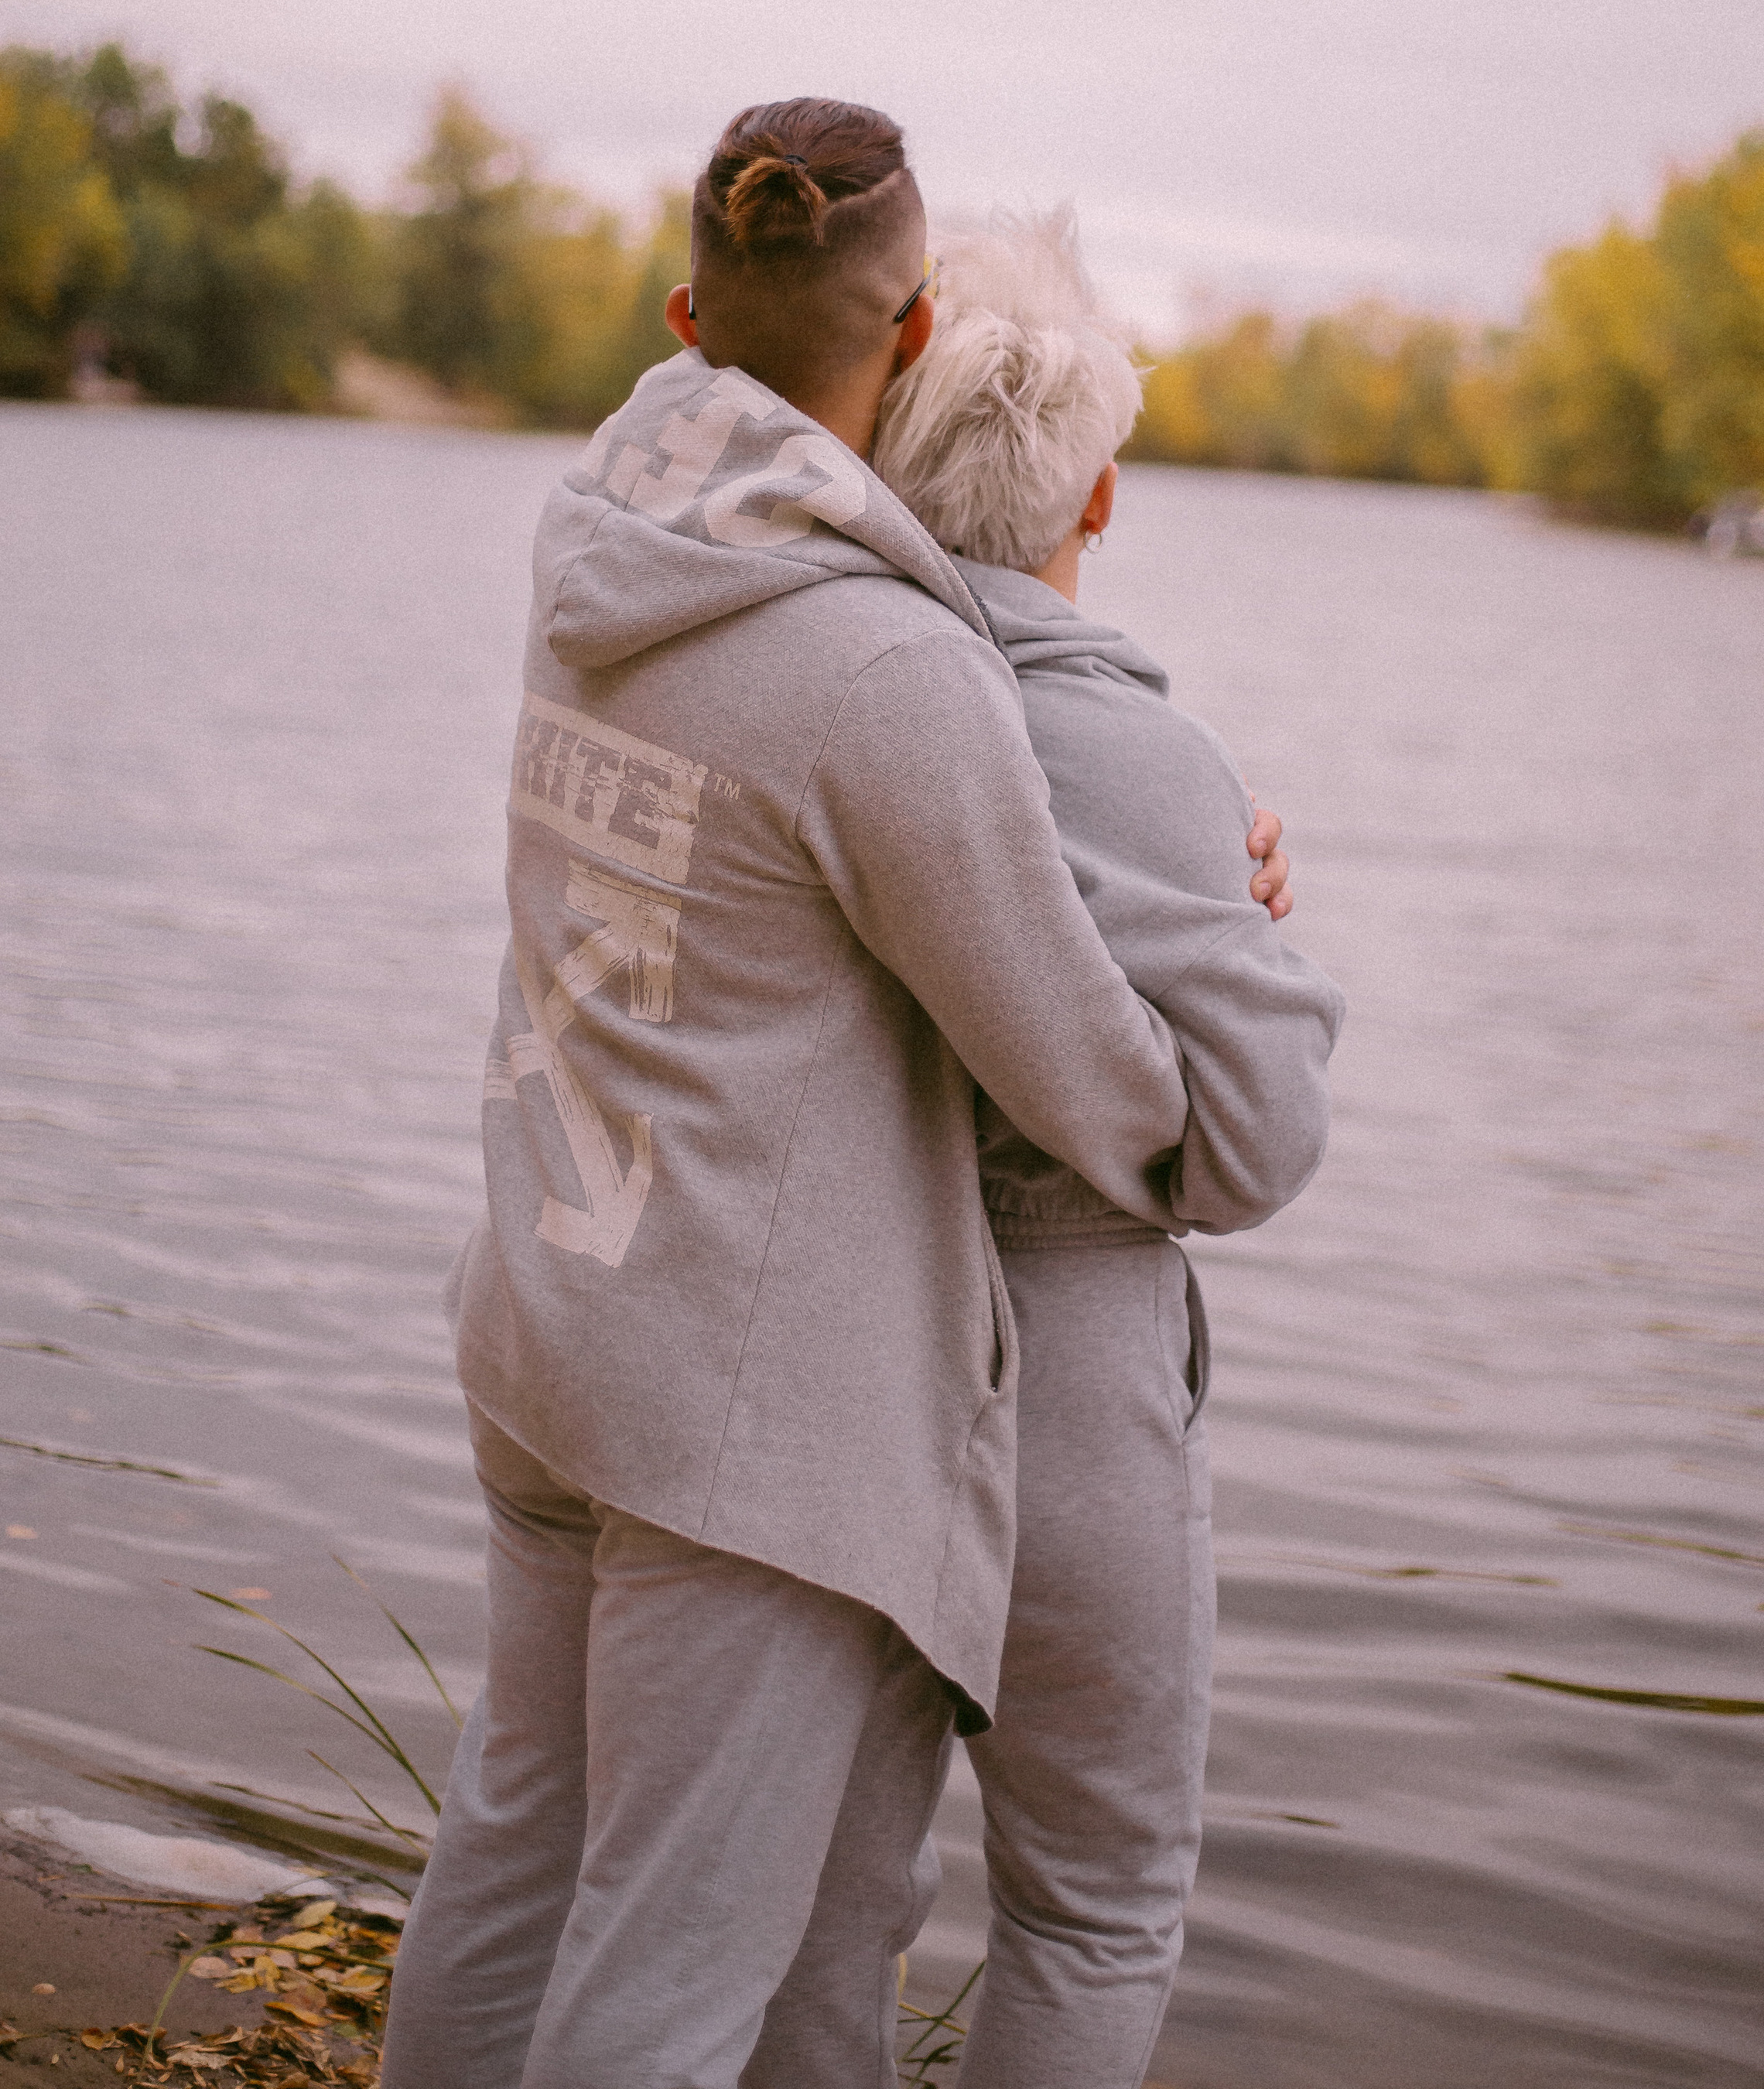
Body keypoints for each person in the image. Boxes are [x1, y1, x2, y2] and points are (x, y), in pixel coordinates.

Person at [379, 103, 1291, 2089]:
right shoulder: (885, 671)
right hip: (744, 1423)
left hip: (549, 1303)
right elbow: (1089, 1078)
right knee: (669, 1973)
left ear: (688, 314)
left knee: (515, 1849)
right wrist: (1218, 933)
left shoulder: (594, 547)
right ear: (917, 326)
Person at [747, 209, 1345, 2089]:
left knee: (818, 1913)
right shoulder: (1136, 755)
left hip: (836, 1348)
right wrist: (1258, 951)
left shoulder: (791, 683)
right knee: (1093, 1905)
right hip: (1069, 1370)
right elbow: (1244, 1148)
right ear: (1104, 490)